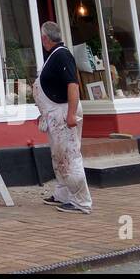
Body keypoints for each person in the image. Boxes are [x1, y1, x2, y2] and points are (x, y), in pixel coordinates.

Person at [34, 20, 92, 214]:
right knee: (59, 156)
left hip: (63, 113)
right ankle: (63, 194)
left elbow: (73, 85)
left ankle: (81, 201)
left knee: (69, 156)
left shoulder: (61, 55)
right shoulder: (54, 55)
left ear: (45, 38)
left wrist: (71, 114)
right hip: (55, 113)